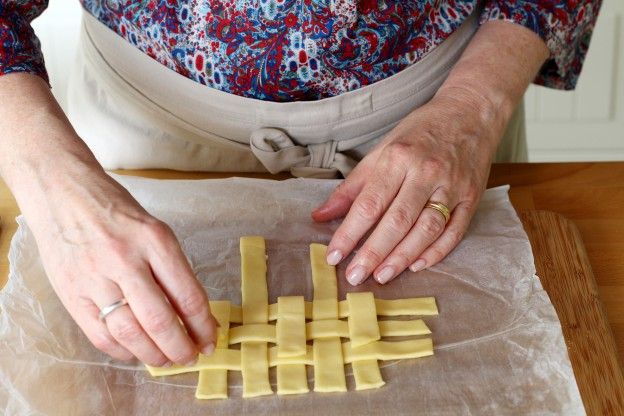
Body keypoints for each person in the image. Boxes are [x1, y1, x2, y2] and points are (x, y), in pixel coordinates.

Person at [0, 0, 601, 370]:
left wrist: (472, 109)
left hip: (443, 125)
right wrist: (53, 185)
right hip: (141, 134)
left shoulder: (461, 122)